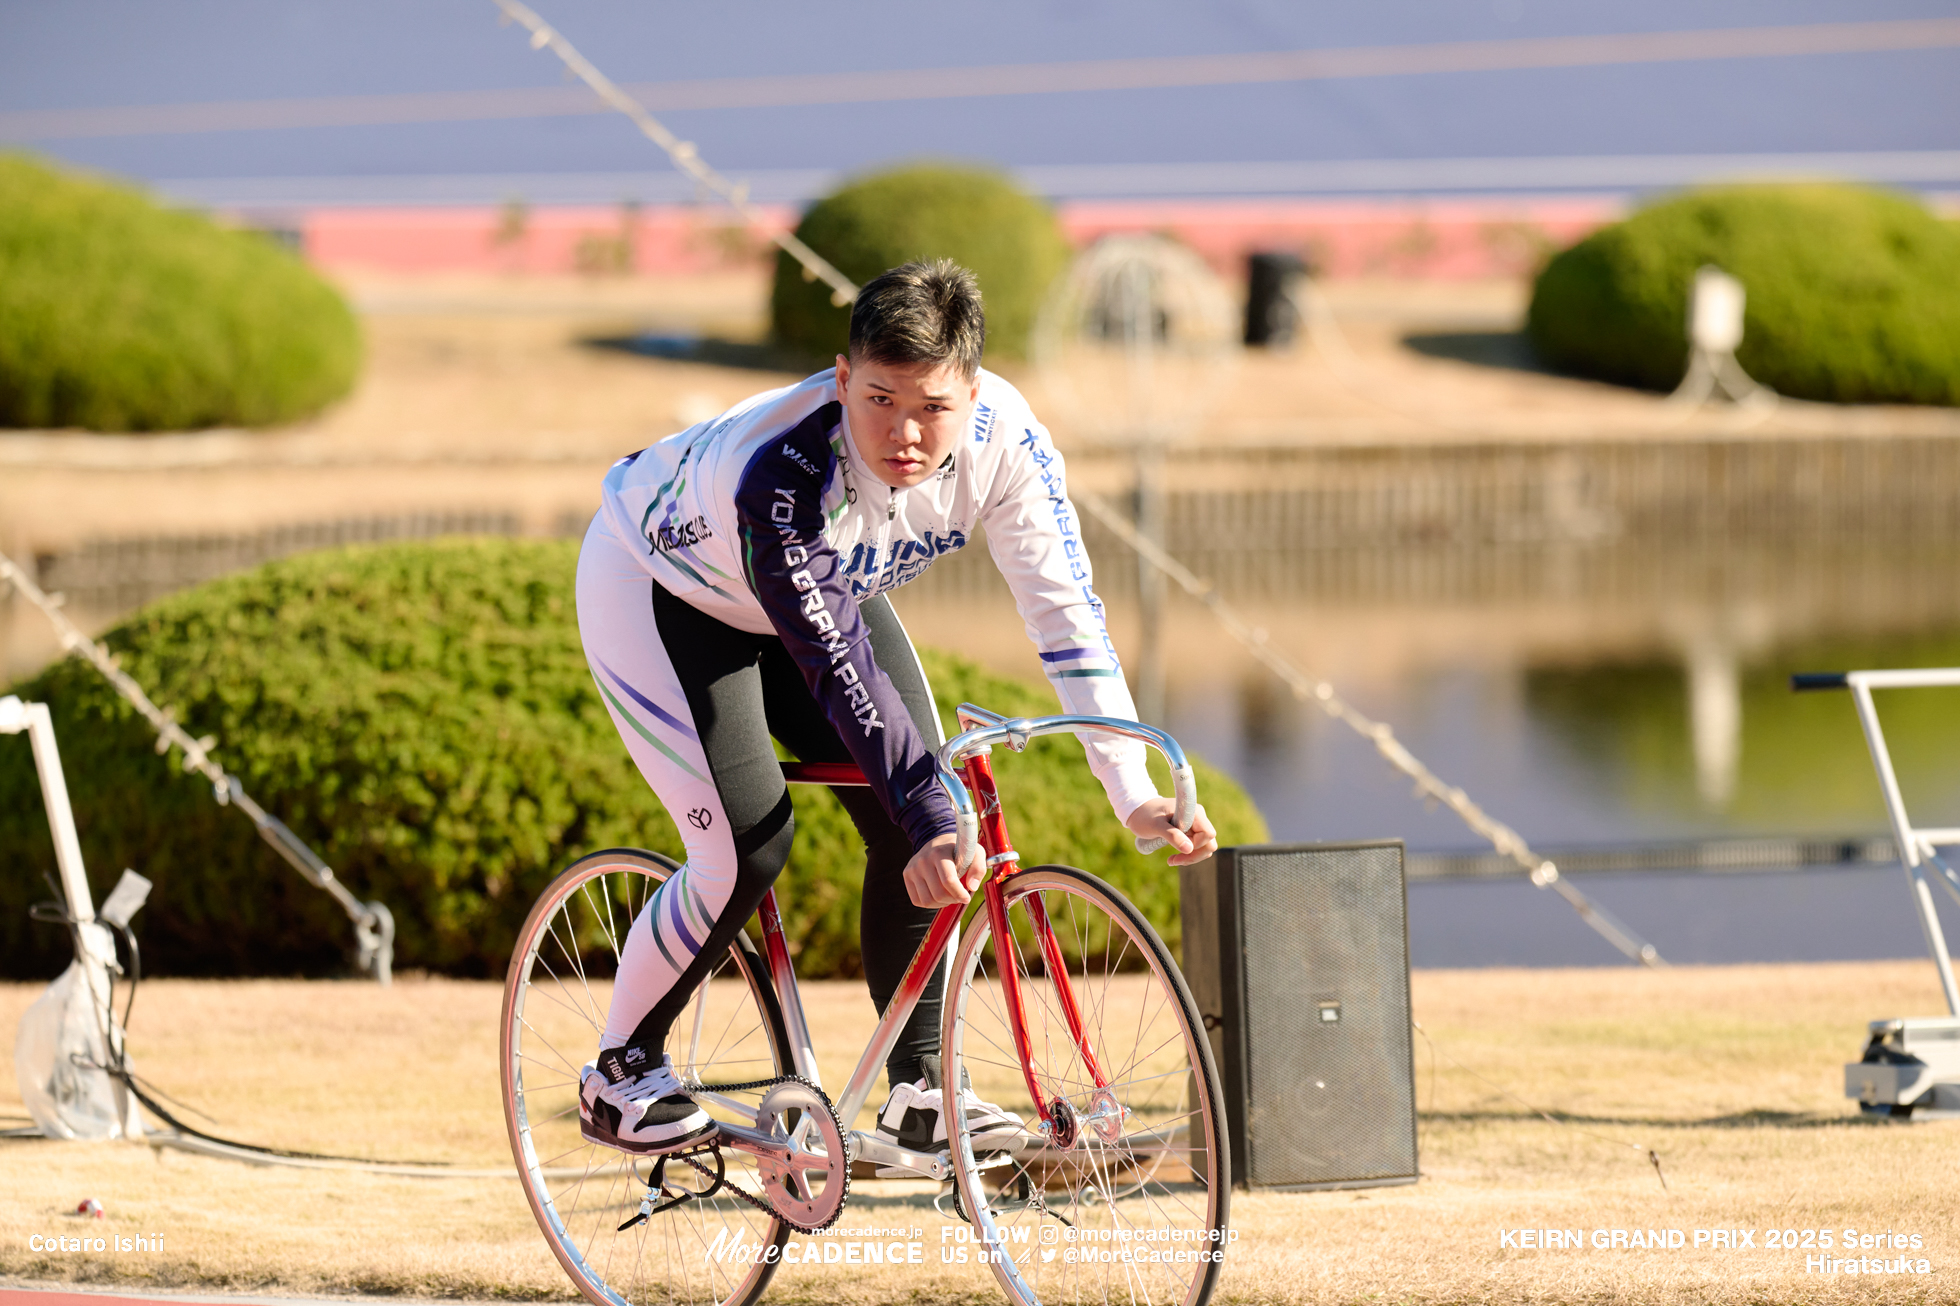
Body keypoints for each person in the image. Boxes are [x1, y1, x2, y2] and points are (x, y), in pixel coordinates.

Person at [574, 257, 1217, 1156]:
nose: (904, 433)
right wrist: (924, 816)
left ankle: (919, 1091)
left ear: (974, 393)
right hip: (665, 592)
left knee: (934, 815)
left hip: (820, 593)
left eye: (932, 408)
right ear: (842, 379)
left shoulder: (1010, 442)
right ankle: (619, 1071)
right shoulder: (781, 471)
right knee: (749, 846)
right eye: (878, 399)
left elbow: (1066, 614)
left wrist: (1130, 787)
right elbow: (836, 659)